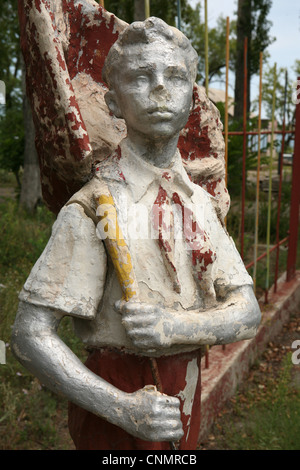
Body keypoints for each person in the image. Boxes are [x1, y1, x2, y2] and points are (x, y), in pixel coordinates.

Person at [11, 17, 261, 450]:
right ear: (112, 102)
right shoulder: (95, 206)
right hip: (118, 399)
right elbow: (29, 334)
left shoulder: (199, 205)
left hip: (185, 394)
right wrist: (121, 408)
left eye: (176, 76)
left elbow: (247, 312)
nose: (160, 88)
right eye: (141, 76)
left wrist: (174, 326)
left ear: (192, 96)